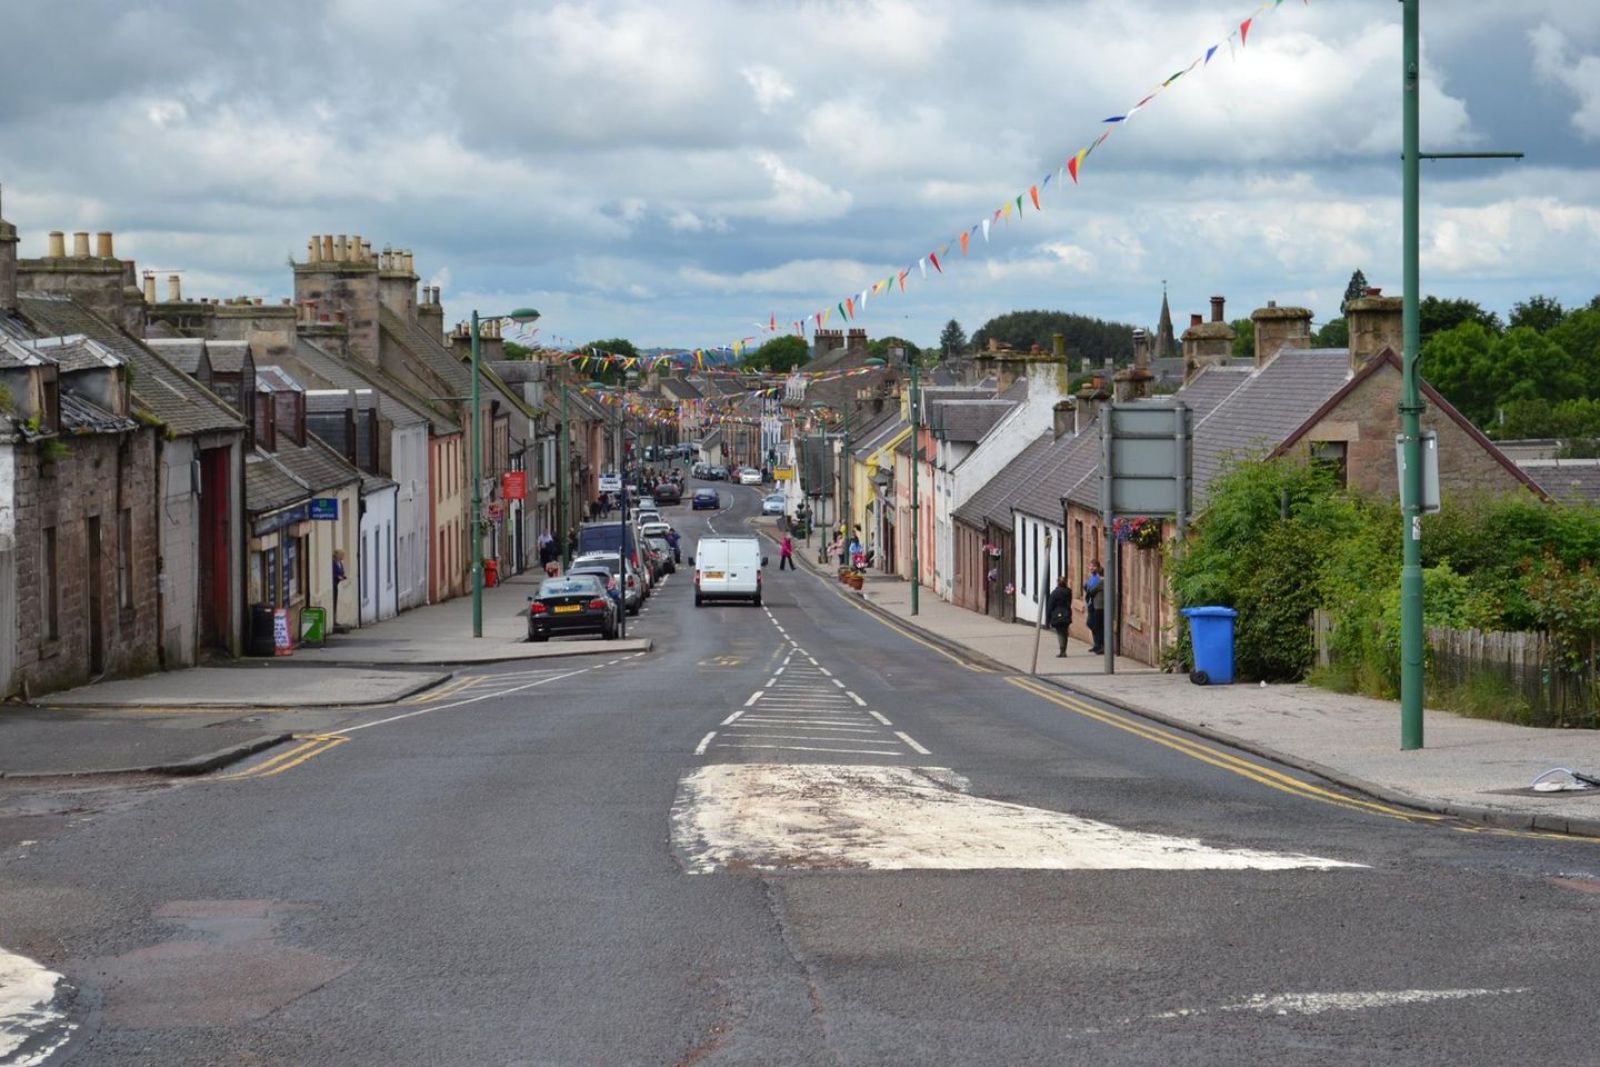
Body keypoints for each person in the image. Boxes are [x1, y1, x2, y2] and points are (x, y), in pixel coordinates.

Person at [1046, 575, 1073, 657]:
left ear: (1057, 583)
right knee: (1065, 632)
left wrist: (1048, 618)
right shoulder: (1069, 592)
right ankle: (1064, 649)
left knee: (1060, 633)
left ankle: (1062, 651)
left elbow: (1050, 606)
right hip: (1067, 613)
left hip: (1057, 615)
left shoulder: (1054, 593)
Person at [1084, 561, 1105, 654]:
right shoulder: (1092, 578)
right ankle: (1097, 644)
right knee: (1092, 624)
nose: (1091, 568)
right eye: (1090, 566)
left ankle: (1099, 645)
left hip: (1096, 605)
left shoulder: (1099, 579)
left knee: (1093, 624)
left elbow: (1091, 590)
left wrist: (1087, 588)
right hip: (1092, 603)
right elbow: (1088, 588)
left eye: (1094, 566)